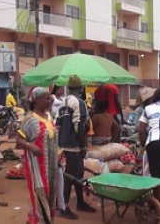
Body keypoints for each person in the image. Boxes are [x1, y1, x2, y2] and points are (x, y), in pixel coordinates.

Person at [56, 75, 96, 219]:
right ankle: (64, 207)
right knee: (70, 176)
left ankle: (80, 202)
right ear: (80, 88)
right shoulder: (79, 102)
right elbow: (79, 126)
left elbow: (58, 124)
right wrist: (83, 146)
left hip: (64, 143)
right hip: (74, 144)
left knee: (78, 174)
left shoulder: (63, 102)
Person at [16, 87, 58, 224]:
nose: (49, 101)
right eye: (46, 98)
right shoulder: (30, 119)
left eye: (49, 98)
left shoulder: (49, 116)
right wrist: (30, 146)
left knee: (50, 192)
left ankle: (38, 220)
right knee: (40, 192)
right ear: (36, 101)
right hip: (36, 166)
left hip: (50, 165)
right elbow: (19, 139)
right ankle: (39, 220)